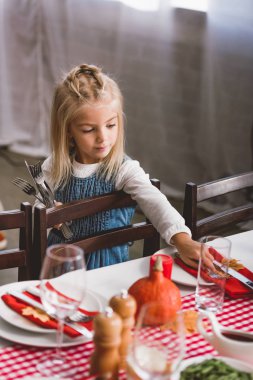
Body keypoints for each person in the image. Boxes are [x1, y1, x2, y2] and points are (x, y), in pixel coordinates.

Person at [40, 63, 208, 270]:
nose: (103, 137)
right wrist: (50, 211)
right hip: (60, 261)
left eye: (111, 125)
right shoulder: (54, 165)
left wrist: (182, 239)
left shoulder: (123, 169)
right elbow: (40, 198)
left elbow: (154, 200)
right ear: (67, 130)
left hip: (107, 265)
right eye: (88, 129)